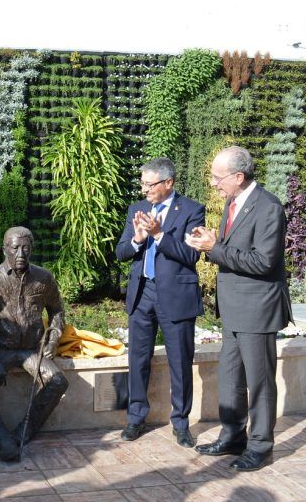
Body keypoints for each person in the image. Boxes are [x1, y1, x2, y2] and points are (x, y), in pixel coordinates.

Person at [188, 146, 291, 472]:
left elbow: (263, 262)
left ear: (238, 176)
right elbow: (236, 251)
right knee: (230, 377)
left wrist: (214, 249)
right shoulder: (234, 202)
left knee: (259, 382)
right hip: (233, 309)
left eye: (219, 178)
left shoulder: (269, 208)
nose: (214, 183)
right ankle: (233, 436)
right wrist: (214, 240)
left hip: (257, 310)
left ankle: (261, 446)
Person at [114, 157, 205, 447]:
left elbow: (191, 255)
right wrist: (139, 239)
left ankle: (181, 424)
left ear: (168, 183)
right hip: (142, 294)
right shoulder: (137, 209)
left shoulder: (191, 210)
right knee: (137, 359)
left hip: (176, 296)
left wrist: (159, 235)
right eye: (142, 183)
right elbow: (121, 252)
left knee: (180, 361)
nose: (145, 190)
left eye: (150, 184)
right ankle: (135, 418)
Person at [0, 226, 68, 462]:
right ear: (5, 250)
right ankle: (2, 438)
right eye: (15, 248)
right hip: (0, 350)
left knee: (57, 381)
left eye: (25, 248)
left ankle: (22, 432)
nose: (20, 254)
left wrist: (53, 339)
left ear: (32, 249)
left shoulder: (44, 278)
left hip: (32, 350)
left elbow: (57, 311)